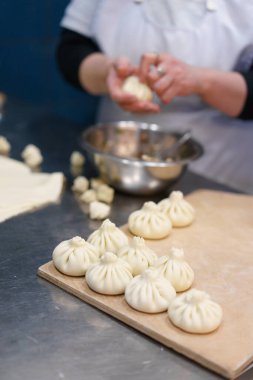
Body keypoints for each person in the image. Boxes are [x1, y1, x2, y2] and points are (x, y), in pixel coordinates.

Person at [56, 0, 253, 193]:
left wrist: (203, 82)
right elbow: (72, 48)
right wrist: (107, 73)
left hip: (219, 173)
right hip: (118, 165)